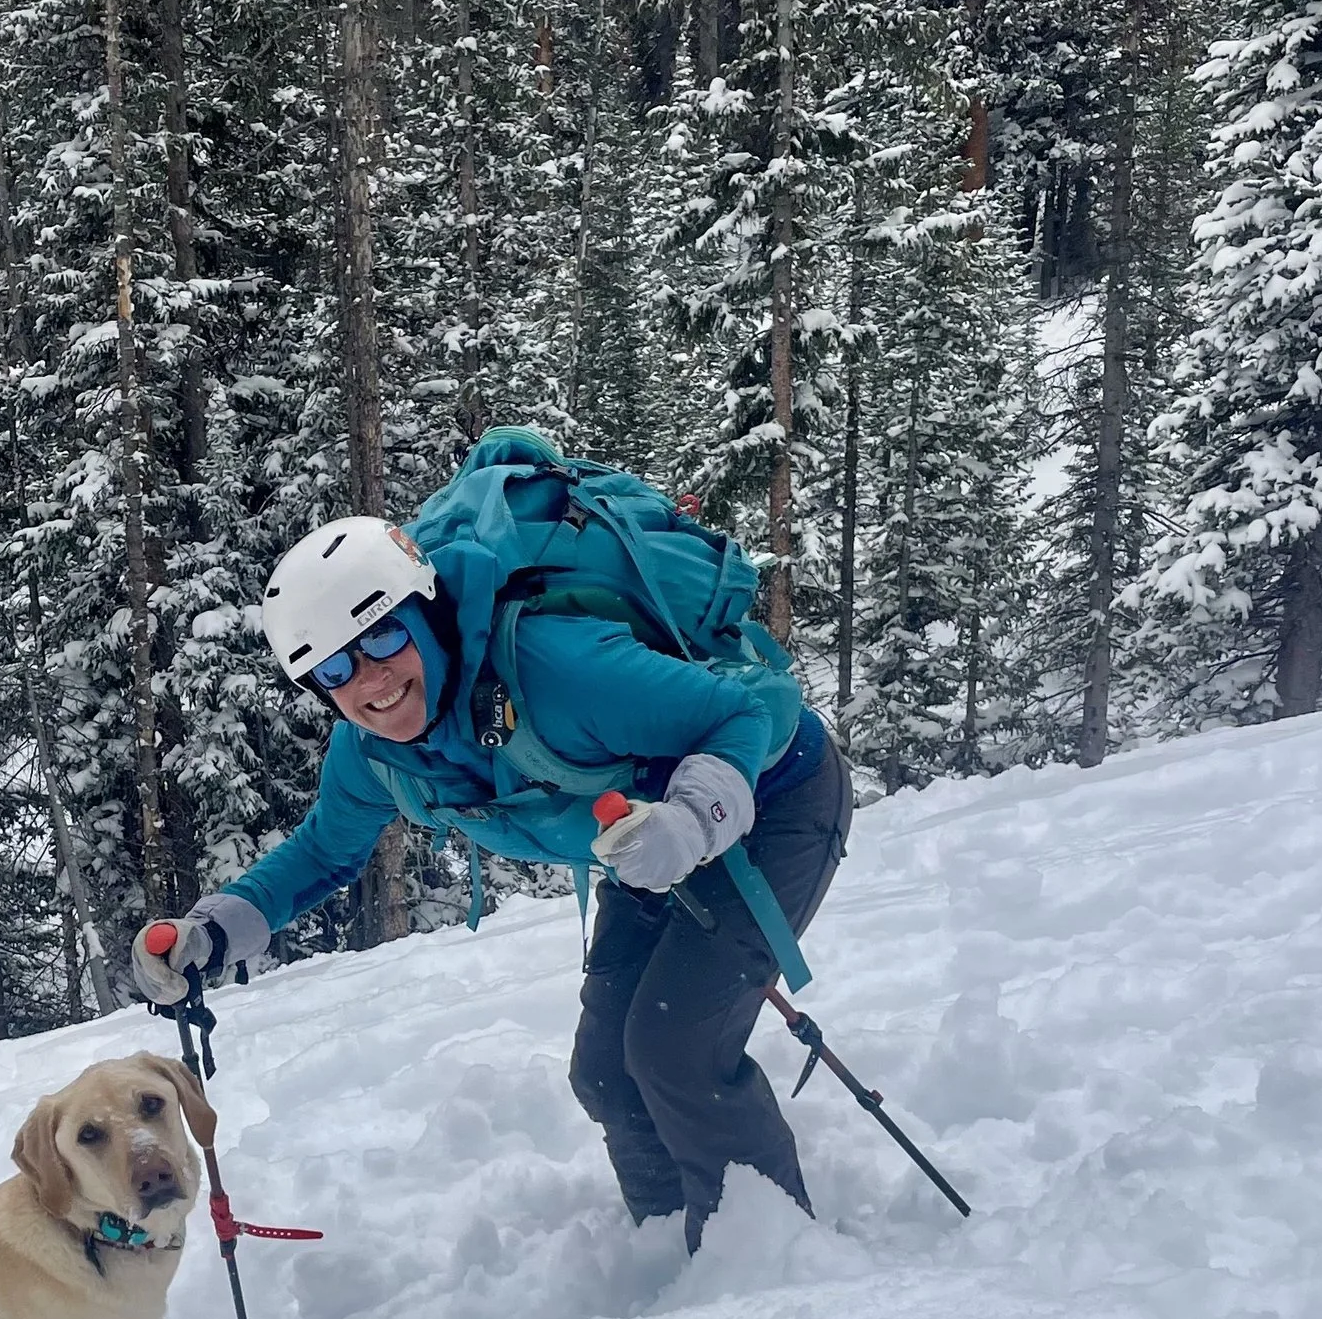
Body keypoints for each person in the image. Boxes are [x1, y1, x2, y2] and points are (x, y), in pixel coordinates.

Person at [129, 486, 852, 1246]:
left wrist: (696, 817)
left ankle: (767, 1266)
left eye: (382, 638)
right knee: (608, 1069)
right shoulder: (373, 752)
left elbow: (750, 710)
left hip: (773, 798)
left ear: (426, 613)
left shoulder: (554, 669)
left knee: (675, 1051)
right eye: (336, 669)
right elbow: (322, 851)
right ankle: (674, 1250)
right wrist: (212, 931)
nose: (371, 681)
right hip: (643, 840)